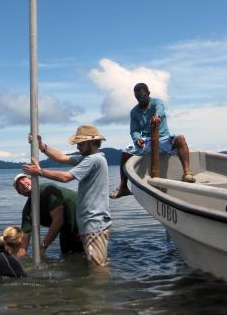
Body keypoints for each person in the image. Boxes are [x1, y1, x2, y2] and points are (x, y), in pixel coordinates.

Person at [23, 124, 112, 267]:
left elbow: (66, 177)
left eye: (80, 144)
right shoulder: (90, 158)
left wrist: (40, 172)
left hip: (94, 223)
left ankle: (100, 289)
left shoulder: (93, 160)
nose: (78, 147)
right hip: (91, 222)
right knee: (94, 264)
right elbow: (62, 158)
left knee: (97, 268)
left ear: (90, 142)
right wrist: (42, 146)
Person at [110, 83, 195, 199]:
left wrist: (156, 116)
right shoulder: (134, 112)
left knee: (180, 139)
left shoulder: (157, 102)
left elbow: (160, 111)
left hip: (163, 138)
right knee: (125, 152)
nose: (141, 99)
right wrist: (137, 138)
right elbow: (134, 130)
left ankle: (187, 172)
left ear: (148, 94)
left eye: (143, 96)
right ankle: (123, 186)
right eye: (138, 97)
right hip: (147, 141)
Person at [13, 174, 83, 255]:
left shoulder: (47, 189)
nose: (22, 182)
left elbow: (58, 220)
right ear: (19, 192)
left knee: (91, 257)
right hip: (67, 228)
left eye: (24, 179)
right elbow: (23, 245)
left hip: (84, 219)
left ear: (32, 180)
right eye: (18, 184)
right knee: (67, 254)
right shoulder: (27, 211)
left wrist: (43, 246)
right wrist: (15, 262)